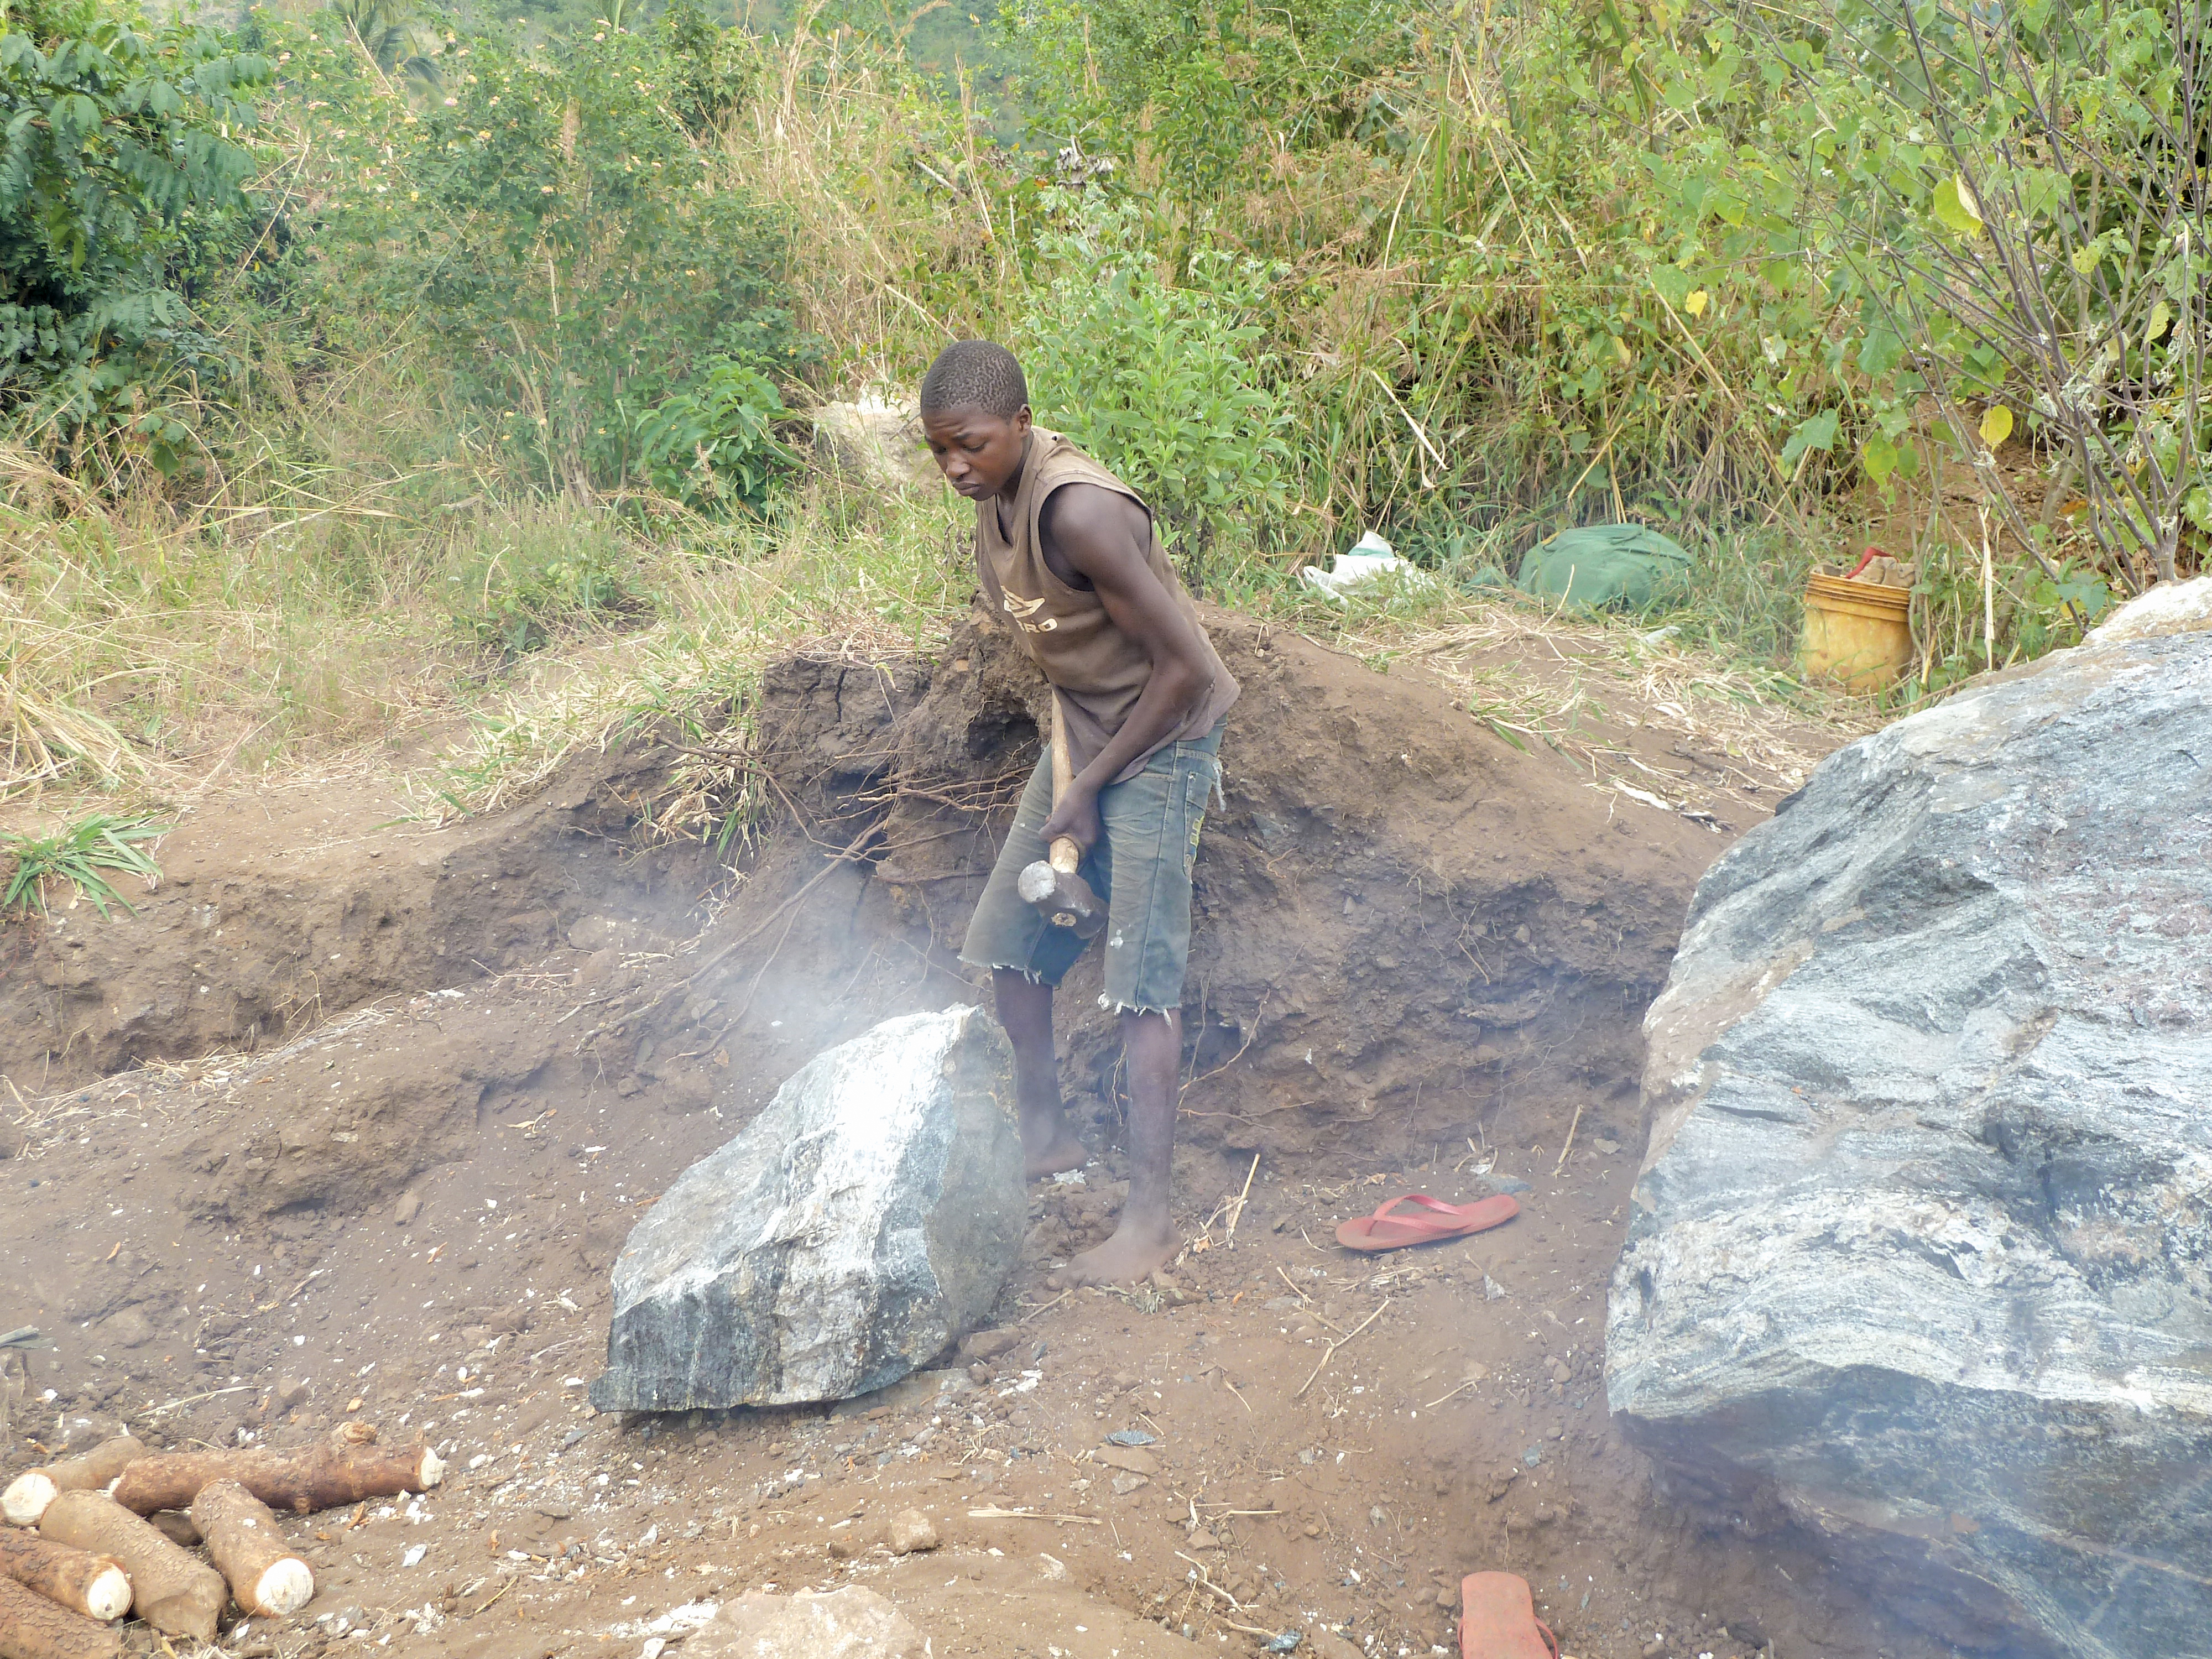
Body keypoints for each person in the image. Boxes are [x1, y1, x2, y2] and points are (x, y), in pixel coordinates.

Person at [920, 340, 1239, 1287]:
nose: (954, 468)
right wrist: (1075, 770)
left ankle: (1148, 1224)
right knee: (1010, 945)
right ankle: (1046, 1135)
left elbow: (1184, 671)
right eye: (938, 450)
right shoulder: (997, 500)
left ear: (1020, 423)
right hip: (1089, 735)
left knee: (1142, 986)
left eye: (970, 445)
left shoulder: (1083, 512)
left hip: (1167, 736)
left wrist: (1092, 789)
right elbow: (1067, 653)